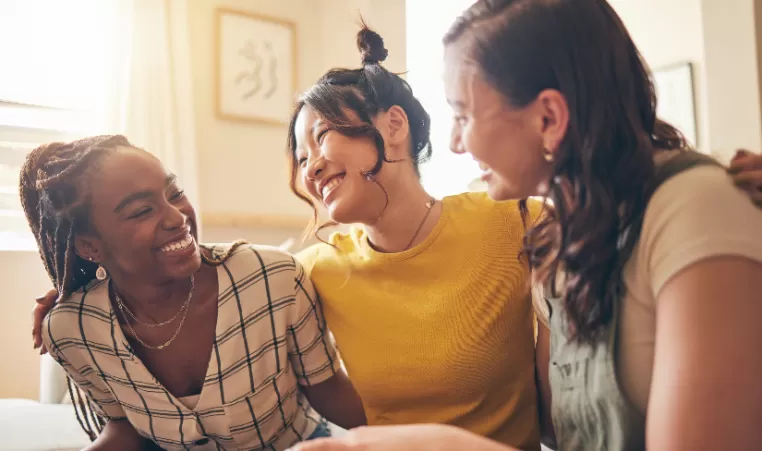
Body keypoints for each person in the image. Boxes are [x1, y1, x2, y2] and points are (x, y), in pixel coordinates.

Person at [30, 19, 762, 451]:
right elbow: (221, 280)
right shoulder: (310, 269)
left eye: (320, 138)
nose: (309, 164)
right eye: (299, 151)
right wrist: (77, 292)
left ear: (393, 127)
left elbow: (630, 196)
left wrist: (737, 183)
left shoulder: (521, 221)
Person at [290, 0, 762, 450]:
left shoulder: (686, 207)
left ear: (549, 117)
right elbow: (565, 428)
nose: (454, 142)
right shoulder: (560, 240)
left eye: (464, 114)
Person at [21, 135, 366, 451]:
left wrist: (408, 439)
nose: (177, 217)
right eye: (142, 211)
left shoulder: (272, 278)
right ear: (89, 245)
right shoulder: (72, 330)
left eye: (175, 194)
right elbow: (123, 427)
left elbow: (330, 392)